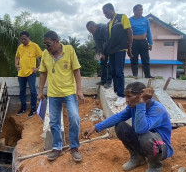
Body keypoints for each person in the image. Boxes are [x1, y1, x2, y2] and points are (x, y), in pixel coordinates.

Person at [84, 81, 173, 172]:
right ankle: (138, 157)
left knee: (145, 136)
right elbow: (118, 117)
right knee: (120, 126)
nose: (126, 100)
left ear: (140, 96)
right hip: (145, 142)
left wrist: (141, 104)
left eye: (129, 96)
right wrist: (96, 127)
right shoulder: (133, 107)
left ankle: (155, 165)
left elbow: (141, 129)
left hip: (161, 148)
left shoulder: (157, 109)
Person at [38, 30, 85, 162]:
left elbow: (76, 70)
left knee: (74, 117)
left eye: (48, 44)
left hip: (69, 92)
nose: (46, 48)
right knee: (54, 122)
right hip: (53, 94)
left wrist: (79, 90)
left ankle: (74, 147)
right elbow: (43, 73)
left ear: (57, 41)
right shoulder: (45, 55)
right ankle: (57, 147)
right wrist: (40, 91)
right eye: (45, 45)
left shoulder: (69, 50)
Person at [102, 3, 133, 106]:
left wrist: (130, 46)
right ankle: (117, 93)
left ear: (112, 10)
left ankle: (122, 95)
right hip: (112, 50)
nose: (105, 15)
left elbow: (129, 31)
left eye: (106, 12)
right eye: (104, 13)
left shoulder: (121, 17)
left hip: (120, 48)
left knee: (119, 71)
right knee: (113, 71)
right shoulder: (109, 23)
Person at [15, 31, 43, 118]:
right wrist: (16, 64)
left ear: (28, 37)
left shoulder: (34, 46)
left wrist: (38, 68)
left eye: (25, 39)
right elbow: (17, 56)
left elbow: (43, 56)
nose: (23, 40)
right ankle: (23, 108)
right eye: (21, 39)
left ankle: (33, 109)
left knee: (33, 91)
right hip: (21, 73)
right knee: (22, 91)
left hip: (31, 73)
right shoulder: (20, 47)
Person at [129, 4, 154, 78]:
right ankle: (135, 75)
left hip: (143, 42)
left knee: (146, 59)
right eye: (139, 10)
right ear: (134, 11)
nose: (141, 11)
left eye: (142, 10)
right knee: (134, 59)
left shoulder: (145, 20)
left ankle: (148, 75)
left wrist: (150, 43)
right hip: (134, 43)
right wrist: (129, 44)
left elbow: (148, 32)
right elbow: (127, 32)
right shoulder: (129, 20)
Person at [86, 21, 113, 89]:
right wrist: (102, 53)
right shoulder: (94, 34)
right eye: (89, 31)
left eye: (91, 30)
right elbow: (98, 44)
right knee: (102, 61)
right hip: (105, 46)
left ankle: (109, 82)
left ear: (95, 26)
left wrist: (108, 52)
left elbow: (108, 40)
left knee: (111, 64)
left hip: (112, 44)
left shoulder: (103, 27)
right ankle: (103, 80)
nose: (91, 32)